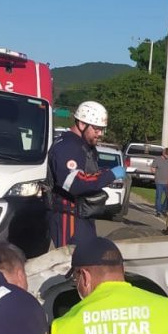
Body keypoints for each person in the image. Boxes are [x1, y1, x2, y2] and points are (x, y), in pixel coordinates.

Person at [48, 100, 123, 249]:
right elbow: (76, 182)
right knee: (72, 262)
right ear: (82, 125)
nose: (100, 134)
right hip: (68, 215)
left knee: (88, 259)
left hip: (82, 214)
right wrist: (109, 175)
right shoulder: (68, 146)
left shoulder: (83, 146)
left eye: (102, 129)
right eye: (96, 129)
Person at [151, 147, 168, 217]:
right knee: (159, 197)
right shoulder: (157, 159)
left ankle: (164, 209)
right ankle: (158, 211)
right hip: (159, 181)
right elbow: (152, 168)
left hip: (167, 182)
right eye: (166, 154)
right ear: (163, 153)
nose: (167, 155)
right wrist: (156, 173)